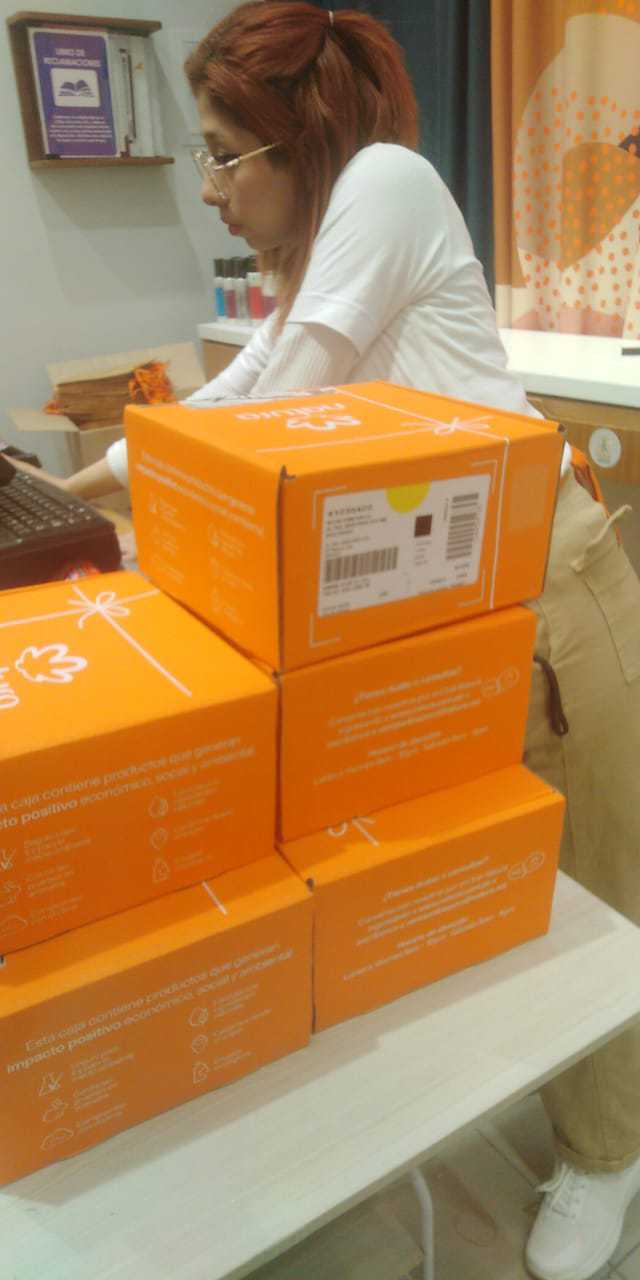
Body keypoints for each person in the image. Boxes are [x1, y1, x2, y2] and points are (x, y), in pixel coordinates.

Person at [60, 7, 640, 1278]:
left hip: (541, 580)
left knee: (591, 880)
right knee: (457, 867)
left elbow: (276, 403)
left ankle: (607, 1151)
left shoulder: (383, 182)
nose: (207, 187)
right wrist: (71, 491)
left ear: (301, 136)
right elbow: (234, 390)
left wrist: (118, 508)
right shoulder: (317, 256)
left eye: (224, 155)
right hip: (431, 595)